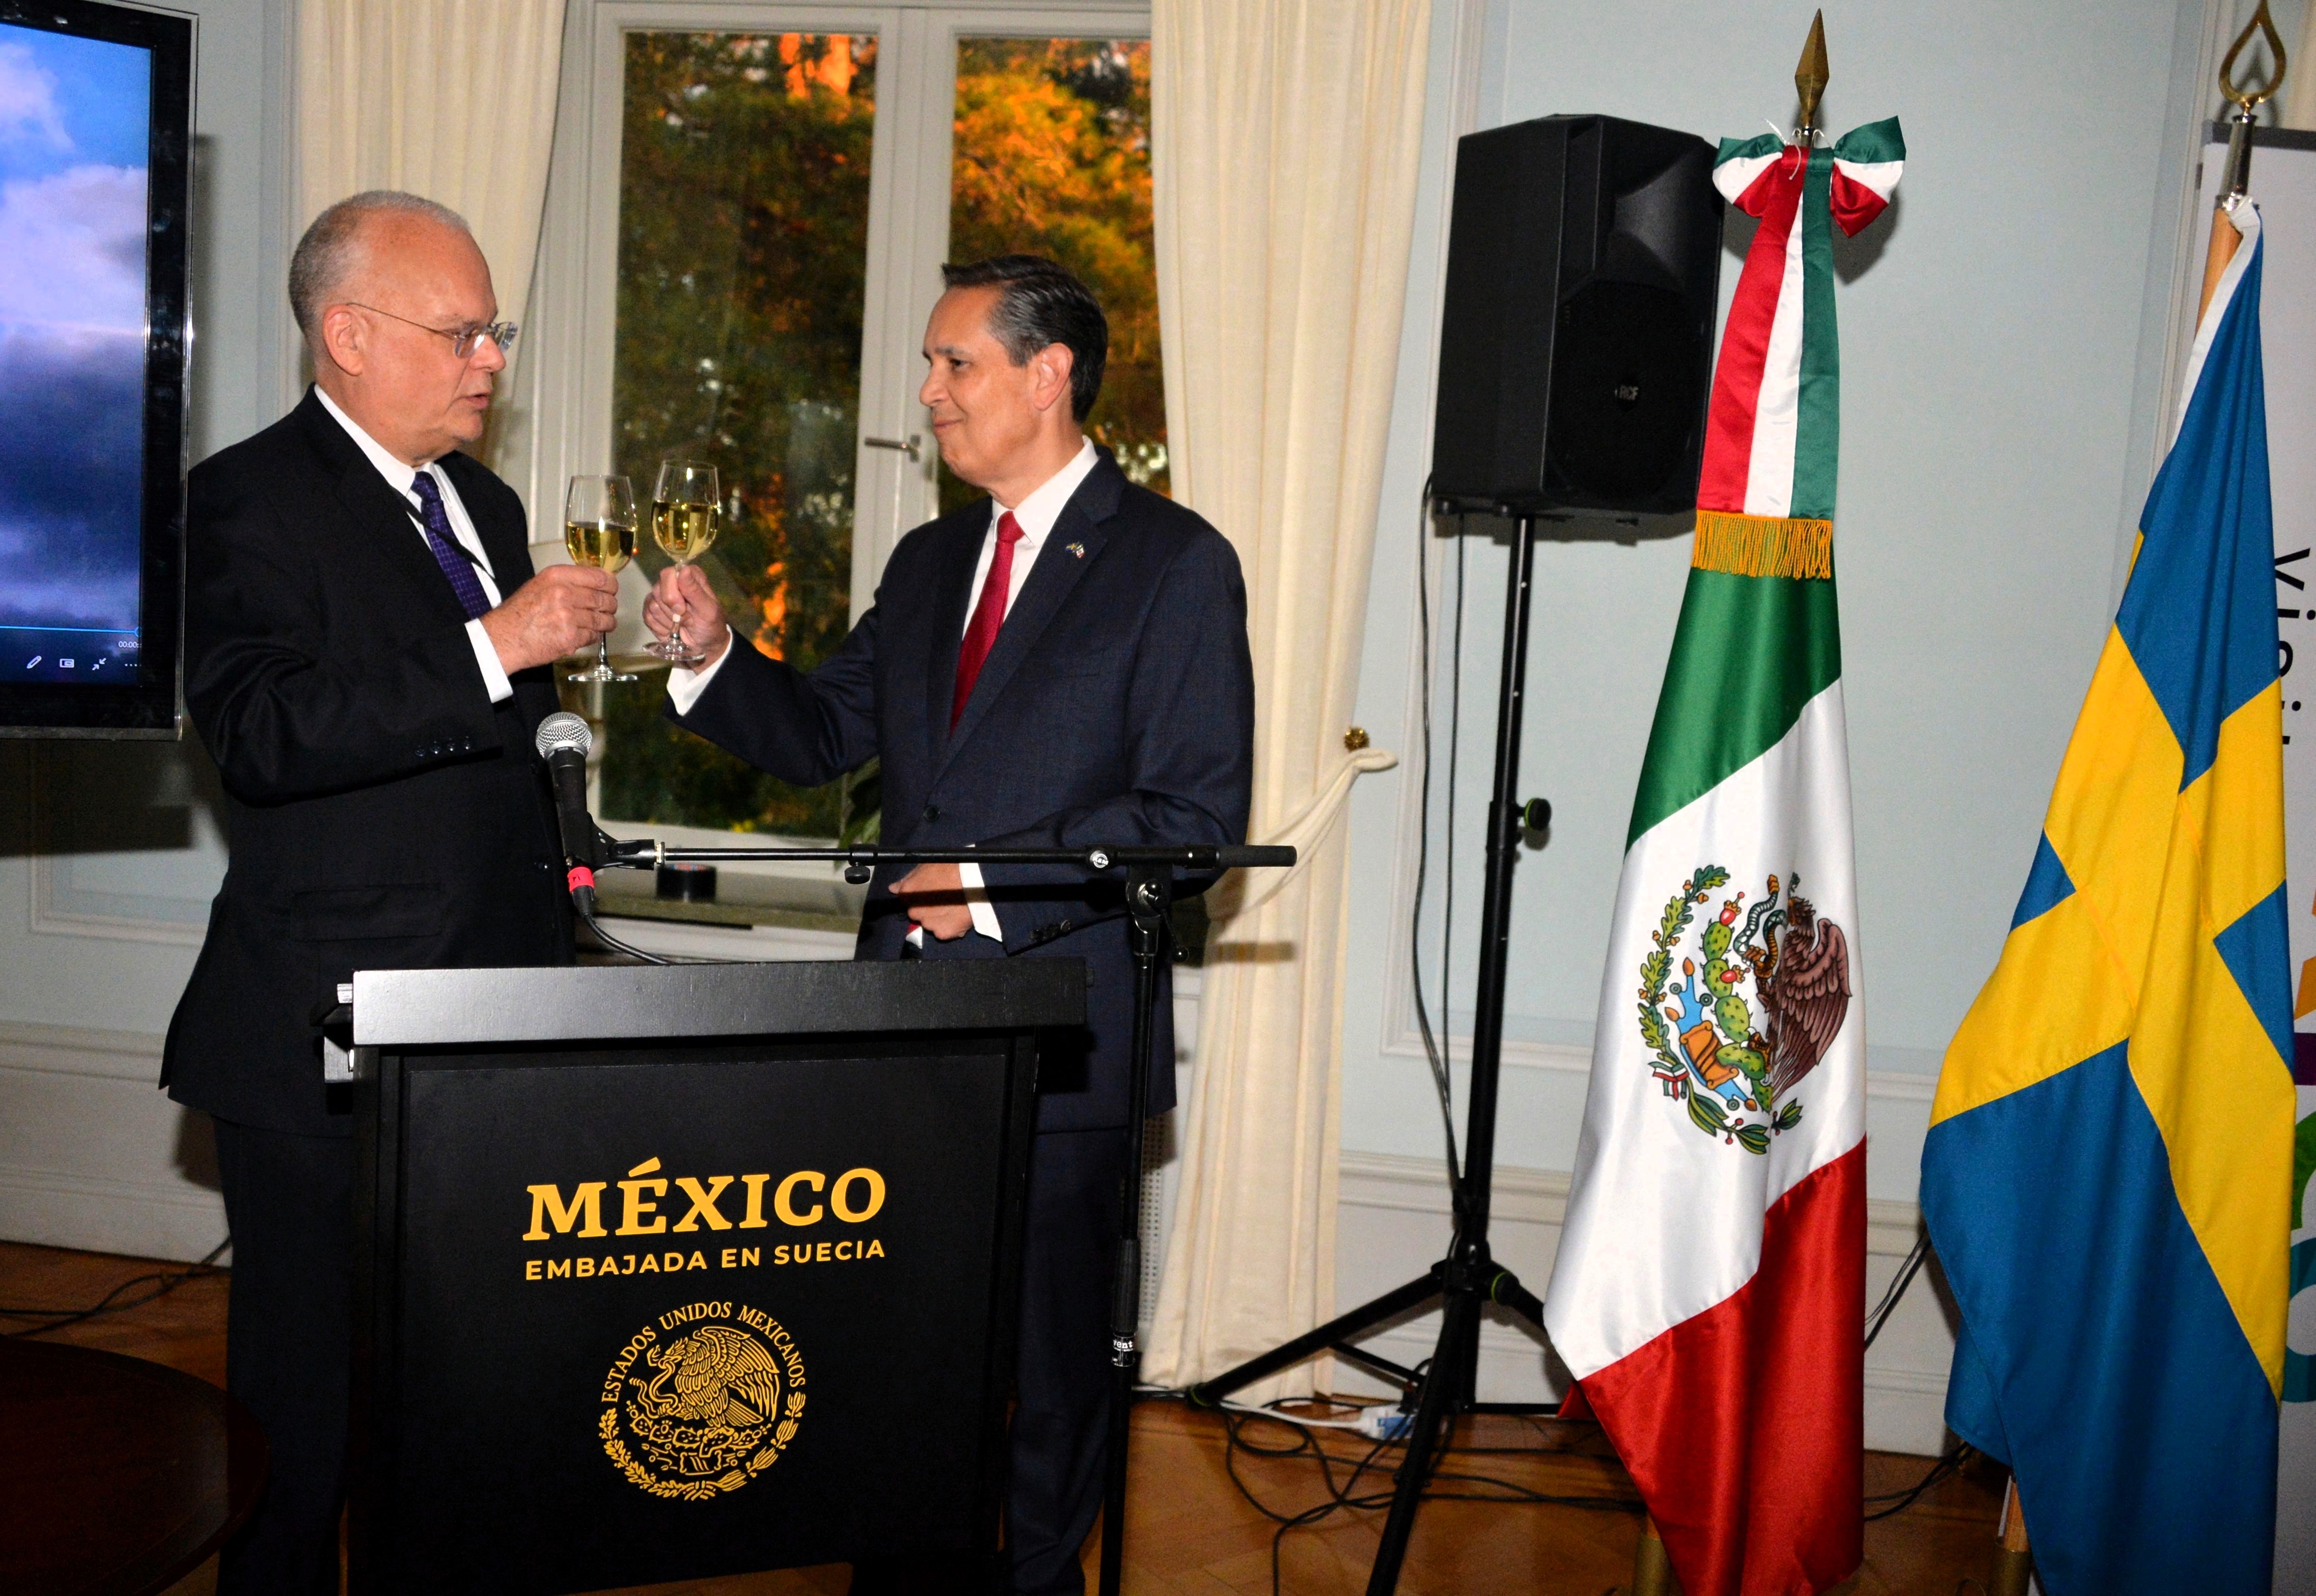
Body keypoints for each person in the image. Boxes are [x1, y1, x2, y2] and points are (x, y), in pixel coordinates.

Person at [645, 254, 1255, 1593]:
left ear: (1048, 375)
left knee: (1049, 1372)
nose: (926, 391)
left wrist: (982, 882)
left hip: (1065, 1040)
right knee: (893, 1356)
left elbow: (1193, 821)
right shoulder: (929, 563)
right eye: (928, 364)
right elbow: (823, 732)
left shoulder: (1173, 563)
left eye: (953, 362)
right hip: (903, 1040)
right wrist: (713, 656)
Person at [163, 190, 618, 1594]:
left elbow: (491, 750)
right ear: (348, 335)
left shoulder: (485, 504)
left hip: (494, 1030)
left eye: (495, 332)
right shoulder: (243, 499)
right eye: (460, 331)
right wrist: (495, 645)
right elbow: (265, 734)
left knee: (459, 1409)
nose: (489, 359)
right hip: (328, 1030)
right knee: (304, 1428)